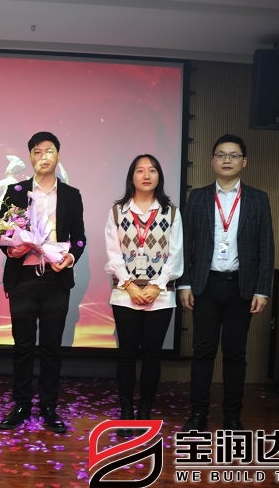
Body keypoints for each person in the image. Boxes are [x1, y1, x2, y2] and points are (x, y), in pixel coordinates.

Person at [178, 134, 274, 431]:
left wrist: (262, 289)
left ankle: (233, 417)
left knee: (235, 355)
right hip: (205, 285)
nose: (227, 160)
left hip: (241, 287)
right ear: (212, 161)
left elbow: (266, 246)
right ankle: (198, 415)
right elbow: (185, 244)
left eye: (233, 155)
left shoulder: (258, 198)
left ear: (244, 161)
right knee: (202, 353)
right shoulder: (198, 197)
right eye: (221, 155)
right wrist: (184, 284)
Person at [0, 131, 86, 434]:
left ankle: (49, 407)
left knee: (51, 347)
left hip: (56, 277)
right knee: (22, 346)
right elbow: (2, 233)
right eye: (37, 151)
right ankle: (21, 405)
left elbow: (79, 237)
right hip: (23, 277)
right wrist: (11, 249)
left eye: (49, 151)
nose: (43, 156)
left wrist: (70, 257)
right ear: (30, 157)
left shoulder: (71, 194)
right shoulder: (15, 191)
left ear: (58, 155)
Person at [103, 154, 183, 437]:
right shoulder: (118, 212)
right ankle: (126, 411)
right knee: (126, 355)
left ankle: (145, 411)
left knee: (152, 356)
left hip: (160, 295)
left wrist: (156, 285)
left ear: (159, 176)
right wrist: (130, 285)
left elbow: (176, 255)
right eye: (140, 170)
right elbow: (113, 254)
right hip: (125, 294)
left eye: (152, 170)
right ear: (132, 177)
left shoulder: (171, 213)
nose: (146, 175)